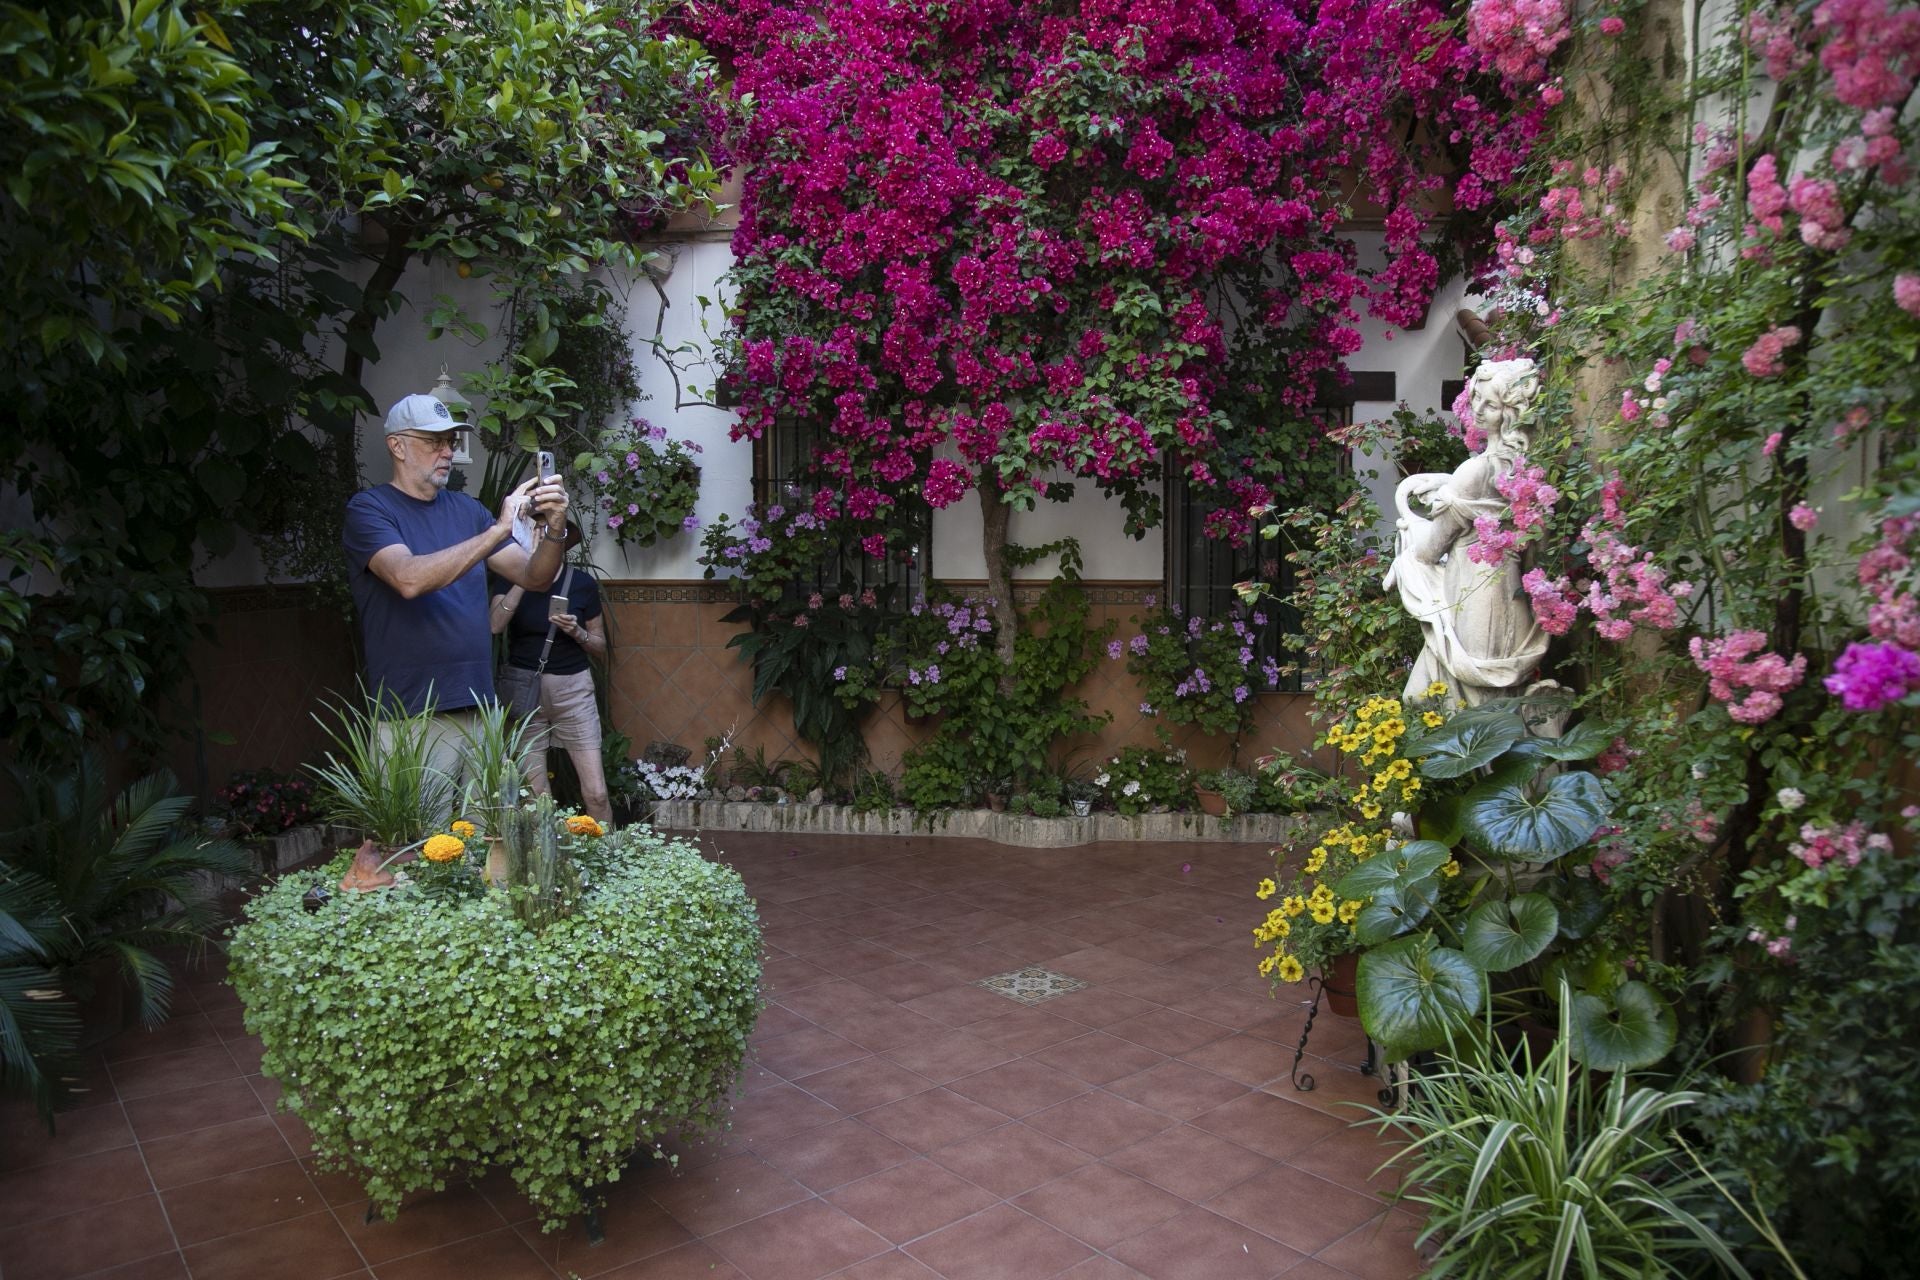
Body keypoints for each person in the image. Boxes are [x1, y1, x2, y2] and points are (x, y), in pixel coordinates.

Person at [342, 391, 571, 734]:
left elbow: (534, 577)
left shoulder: (468, 510)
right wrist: (498, 530)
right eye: (434, 441)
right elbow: (408, 579)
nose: (448, 451)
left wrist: (555, 527)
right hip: (409, 711)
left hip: (477, 702)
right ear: (397, 446)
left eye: (450, 441)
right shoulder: (369, 509)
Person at [1383, 358, 1550, 708]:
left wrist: (1411, 529)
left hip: (1474, 599)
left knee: (1440, 703)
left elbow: (1429, 551)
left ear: (1511, 413)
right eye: (1477, 398)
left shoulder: (1473, 472)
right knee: (1495, 708)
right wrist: (1448, 487)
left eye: (1491, 404)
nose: (1478, 409)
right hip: (1513, 598)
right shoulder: (1530, 471)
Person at [489, 524, 612, 825]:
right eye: (536, 534)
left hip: (573, 692)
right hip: (524, 695)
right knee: (536, 794)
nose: (543, 541)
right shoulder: (508, 577)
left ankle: (607, 851)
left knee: (596, 793)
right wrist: (525, 575)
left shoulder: (581, 583)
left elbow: (600, 646)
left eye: (550, 536)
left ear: (562, 543)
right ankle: (544, 852)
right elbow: (495, 624)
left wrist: (577, 631)